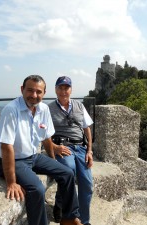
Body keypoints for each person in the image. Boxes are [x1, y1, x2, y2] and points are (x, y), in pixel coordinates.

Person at [0, 75, 83, 225]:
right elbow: (6, 146)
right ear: (22, 90)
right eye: (30, 90)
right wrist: (11, 182)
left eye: (38, 92)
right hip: (12, 161)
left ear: (44, 93)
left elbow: (46, 137)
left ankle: (68, 218)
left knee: (67, 173)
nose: (34, 95)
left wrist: (53, 162)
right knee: (37, 189)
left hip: (33, 156)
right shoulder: (11, 110)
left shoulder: (43, 109)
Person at [48, 76, 94, 225]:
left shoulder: (79, 106)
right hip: (62, 147)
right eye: (60, 88)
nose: (63, 91)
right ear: (55, 90)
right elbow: (43, 134)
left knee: (87, 184)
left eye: (66, 88)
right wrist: (54, 148)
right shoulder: (48, 108)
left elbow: (87, 129)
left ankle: (84, 221)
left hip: (81, 148)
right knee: (69, 170)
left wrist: (89, 151)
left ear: (71, 90)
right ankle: (66, 212)